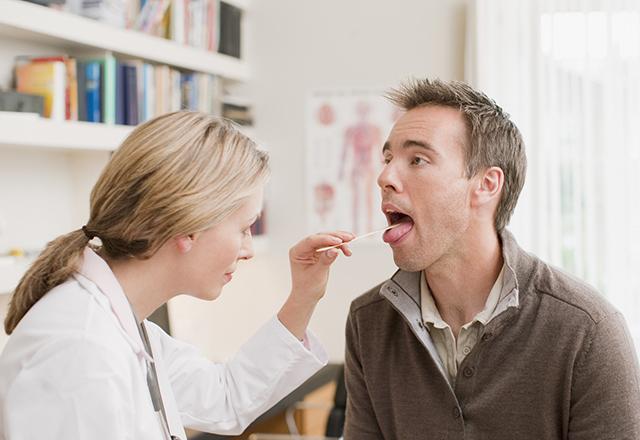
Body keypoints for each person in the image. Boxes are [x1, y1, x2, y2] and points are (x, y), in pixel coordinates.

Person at [0, 111, 354, 440]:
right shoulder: (81, 352)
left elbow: (225, 397)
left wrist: (304, 295)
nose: (247, 250)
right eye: (244, 228)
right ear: (189, 228)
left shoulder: (124, 327)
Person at [343, 79, 640, 439]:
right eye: (388, 159)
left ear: (486, 185)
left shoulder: (587, 331)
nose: (384, 177)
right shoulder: (368, 322)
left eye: (417, 159)